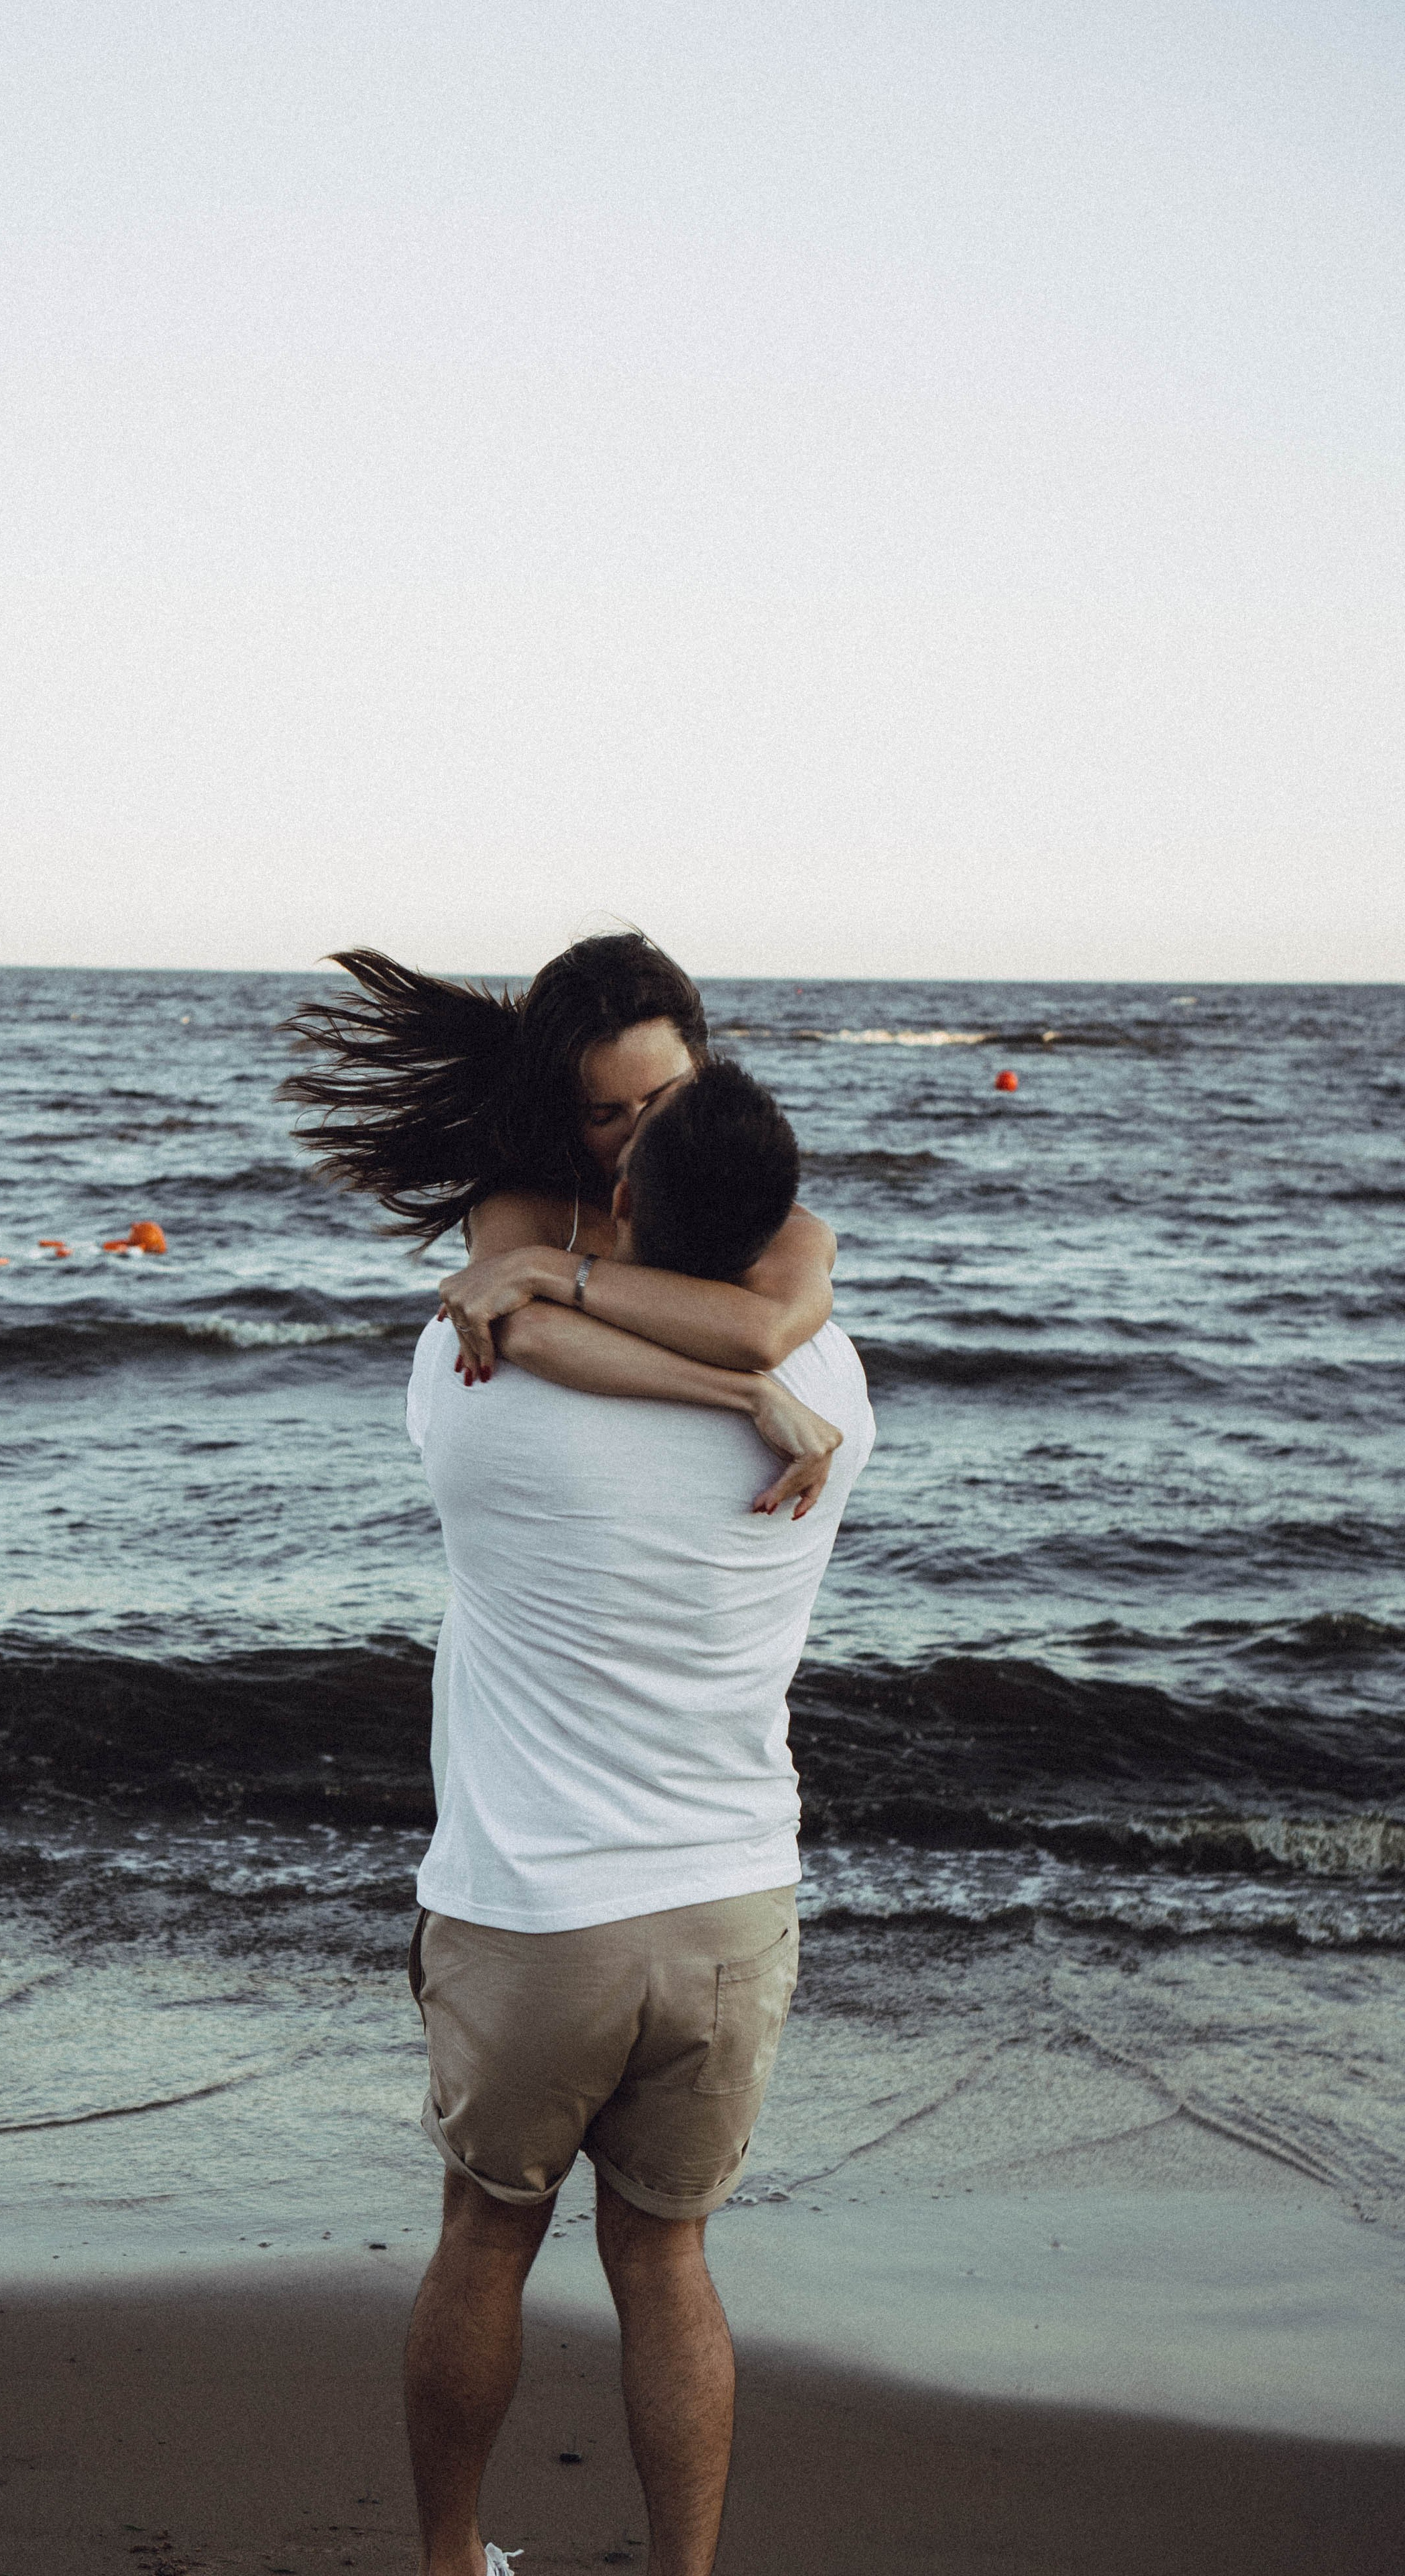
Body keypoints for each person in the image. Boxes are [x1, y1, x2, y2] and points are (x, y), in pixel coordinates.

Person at [398, 1059, 876, 2576]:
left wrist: (528, 1267)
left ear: (615, 1201)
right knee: (666, 2261)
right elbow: (767, 1308)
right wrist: (748, 1366)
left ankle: (452, 2560)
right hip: (728, 1906)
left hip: (532, 1906)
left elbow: (496, 1310)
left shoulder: (475, 1382)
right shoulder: (836, 1399)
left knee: (484, 2236)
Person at [283, 932, 844, 1512]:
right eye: (605, 1114)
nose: (639, 1133)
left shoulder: (772, 1214)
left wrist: (542, 1270)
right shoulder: (525, 1211)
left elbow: (764, 1333)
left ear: (702, 1069)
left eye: (662, 1097)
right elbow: (522, 1333)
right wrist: (748, 1395)